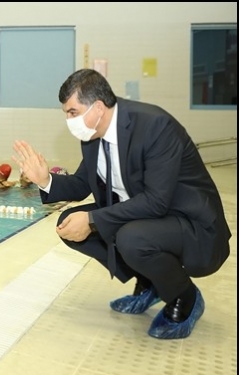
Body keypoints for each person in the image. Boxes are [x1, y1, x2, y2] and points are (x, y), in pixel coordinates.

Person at [13, 68, 231, 340]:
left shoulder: (155, 126)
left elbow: (156, 201)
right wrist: (45, 180)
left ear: (98, 107)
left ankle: (184, 297)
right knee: (67, 223)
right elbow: (82, 183)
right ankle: (152, 282)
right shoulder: (93, 135)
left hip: (190, 223)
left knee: (130, 238)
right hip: (147, 217)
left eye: (72, 112)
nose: (69, 121)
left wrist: (92, 220)